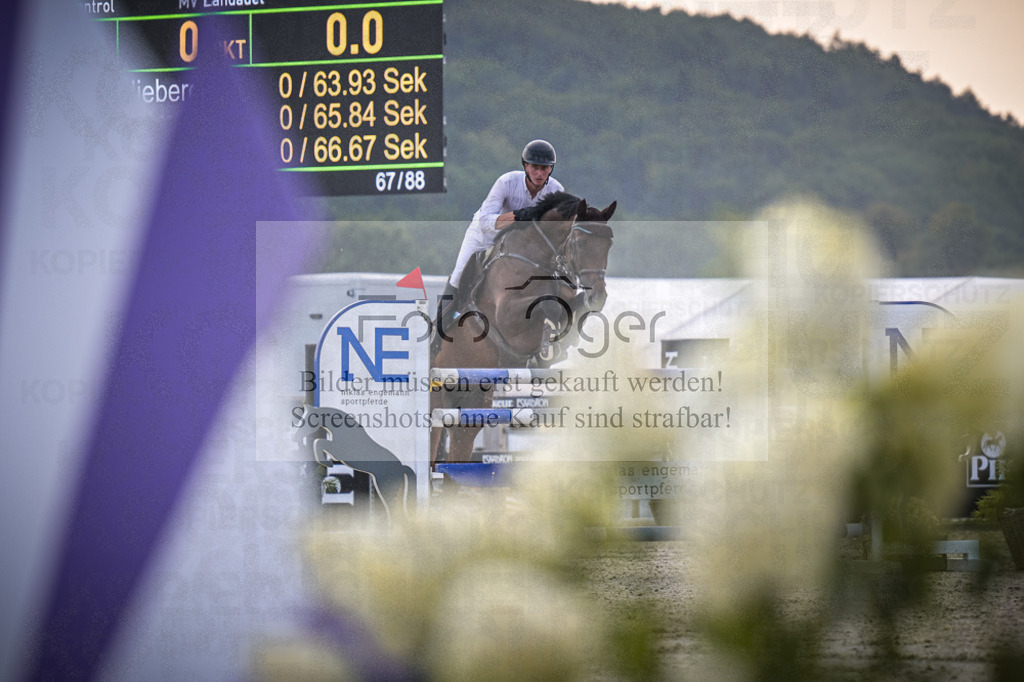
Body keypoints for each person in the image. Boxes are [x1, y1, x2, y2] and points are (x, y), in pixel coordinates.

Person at [441, 139, 564, 311]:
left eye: (544, 168)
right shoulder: (506, 182)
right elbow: (485, 222)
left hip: (520, 243)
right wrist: (517, 215)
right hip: (485, 237)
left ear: (551, 169)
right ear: (525, 166)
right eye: (534, 167)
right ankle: (440, 324)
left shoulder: (556, 191)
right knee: (459, 276)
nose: (539, 173)